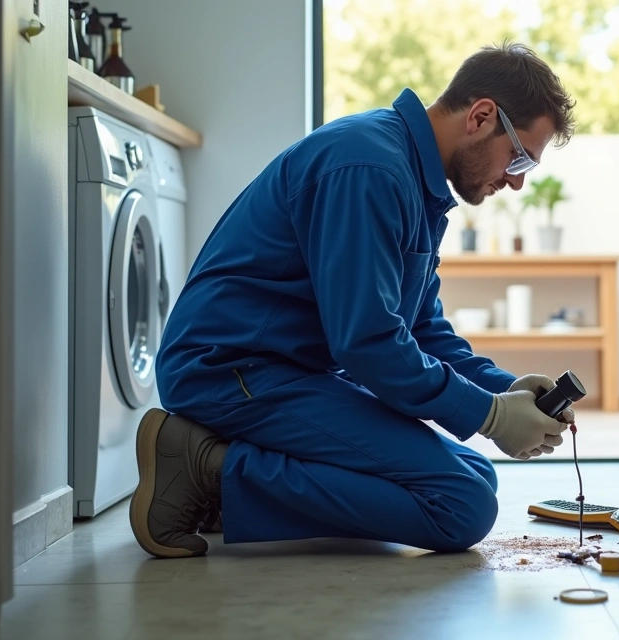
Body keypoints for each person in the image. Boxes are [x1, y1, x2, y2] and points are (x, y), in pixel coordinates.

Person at [129, 42, 578, 559]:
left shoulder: (411, 177)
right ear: (480, 117)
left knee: (475, 472)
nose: (518, 181)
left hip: (286, 370)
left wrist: (503, 390)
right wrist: (492, 417)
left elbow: (420, 329)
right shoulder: (370, 168)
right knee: (460, 503)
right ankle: (205, 467)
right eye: (519, 156)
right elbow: (367, 343)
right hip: (230, 369)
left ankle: (221, 485)